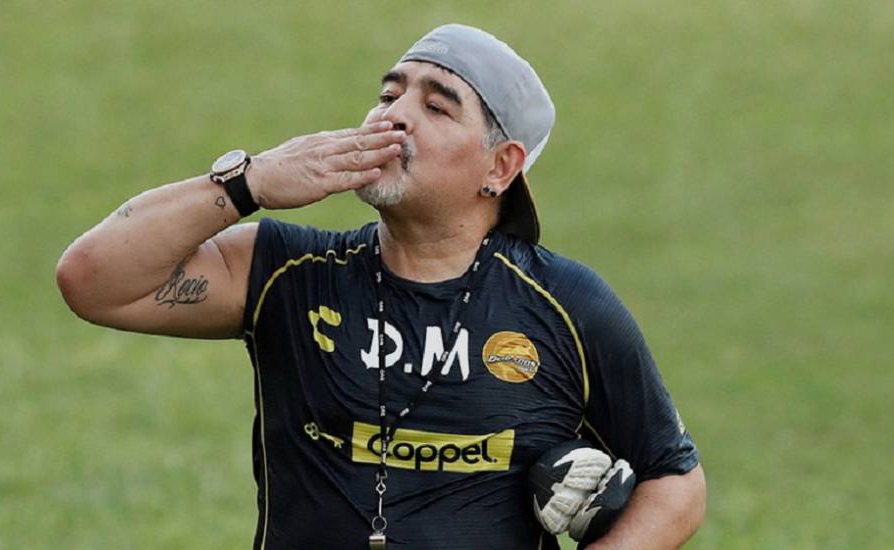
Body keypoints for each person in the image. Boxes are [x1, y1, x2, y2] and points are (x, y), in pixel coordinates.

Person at [57, 23, 705, 549]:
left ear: (500, 166)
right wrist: (248, 183)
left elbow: (676, 483)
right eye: (389, 95)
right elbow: (94, 280)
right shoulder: (288, 272)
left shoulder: (565, 306)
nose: (394, 117)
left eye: (436, 106)